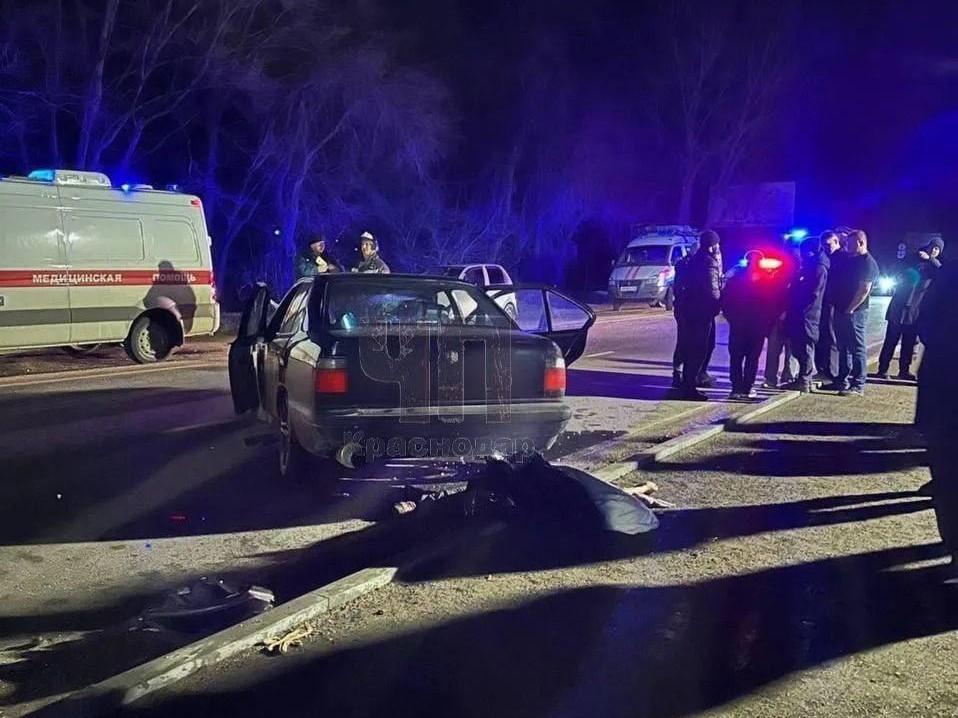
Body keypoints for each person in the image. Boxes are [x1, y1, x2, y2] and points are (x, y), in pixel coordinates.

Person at [916, 260, 958, 575]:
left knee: (947, 477)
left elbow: (926, 323)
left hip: (943, 385)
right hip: (943, 387)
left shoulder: (950, 274)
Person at [877, 238, 944, 380]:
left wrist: (931, 260)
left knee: (909, 343)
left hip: (915, 311)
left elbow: (941, 271)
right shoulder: (913, 258)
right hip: (898, 308)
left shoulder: (934, 267)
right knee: (890, 341)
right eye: (933, 247)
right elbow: (899, 268)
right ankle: (882, 369)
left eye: (937, 249)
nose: (934, 250)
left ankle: (904, 370)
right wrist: (919, 257)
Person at [822, 229, 880, 396]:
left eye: (850, 243)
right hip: (841, 309)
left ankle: (858, 384)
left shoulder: (868, 263)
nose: (846, 246)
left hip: (855, 312)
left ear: (861, 243)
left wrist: (850, 309)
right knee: (843, 347)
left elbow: (864, 290)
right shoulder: (850, 259)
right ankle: (842, 380)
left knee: (857, 348)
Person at [723, 251, 780, 399]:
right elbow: (773, 304)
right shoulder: (767, 280)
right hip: (757, 326)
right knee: (752, 358)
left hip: (738, 325)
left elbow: (726, 301)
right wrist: (768, 324)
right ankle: (747, 388)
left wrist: (731, 319)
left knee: (736, 358)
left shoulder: (735, 279)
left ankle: (736, 388)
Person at [678, 229, 722, 401]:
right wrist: (718, 306)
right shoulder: (708, 262)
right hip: (702, 312)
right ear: (712, 245)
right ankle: (689, 387)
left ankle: (689, 382)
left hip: (690, 310)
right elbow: (713, 290)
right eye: (717, 244)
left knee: (693, 347)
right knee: (699, 348)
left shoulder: (695, 259)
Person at [785, 236, 830, 392]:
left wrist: (798, 293)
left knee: (805, 346)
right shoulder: (810, 265)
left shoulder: (819, 268)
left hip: (808, 314)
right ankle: (802, 378)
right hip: (800, 312)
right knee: (798, 347)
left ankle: (805, 380)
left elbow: (814, 292)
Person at [762, 244, 800, 388]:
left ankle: (772, 378)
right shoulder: (796, 277)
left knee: (776, 349)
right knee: (788, 350)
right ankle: (786, 377)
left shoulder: (781, 276)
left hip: (782, 316)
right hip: (788, 317)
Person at [815, 230, 844, 381]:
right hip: (823, 302)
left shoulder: (842, 258)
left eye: (828, 244)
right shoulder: (824, 257)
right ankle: (822, 368)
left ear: (836, 242)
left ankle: (832, 372)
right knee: (821, 336)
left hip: (833, 303)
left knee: (832, 337)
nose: (826, 248)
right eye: (823, 245)